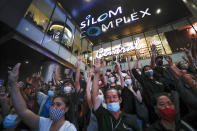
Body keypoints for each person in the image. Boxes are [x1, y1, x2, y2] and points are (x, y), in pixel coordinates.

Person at [8, 63, 77, 131]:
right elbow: (23, 111)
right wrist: (13, 84)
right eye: (52, 104)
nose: (54, 107)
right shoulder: (44, 123)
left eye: (58, 104)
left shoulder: (69, 128)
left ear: (66, 109)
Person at [92, 58, 140, 131]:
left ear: (120, 100)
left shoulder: (130, 119)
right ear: (105, 100)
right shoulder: (102, 115)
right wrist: (97, 73)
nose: (111, 100)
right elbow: (95, 97)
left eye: (114, 97)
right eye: (108, 97)